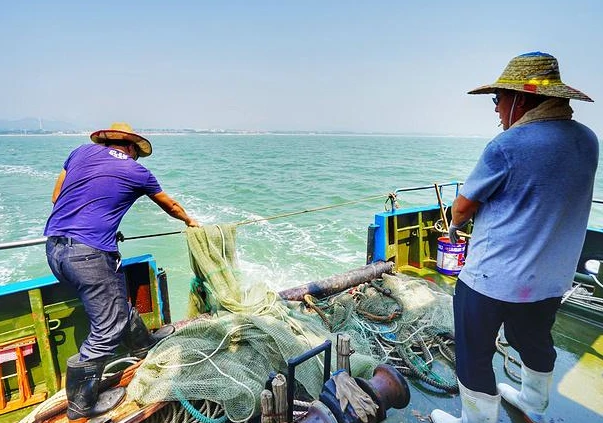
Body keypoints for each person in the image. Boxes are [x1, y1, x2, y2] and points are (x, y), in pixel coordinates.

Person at [431, 52, 598, 423]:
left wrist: (456, 228)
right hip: (551, 280)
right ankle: (533, 404)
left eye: (498, 100)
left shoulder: (508, 144)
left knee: (473, 354)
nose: (495, 110)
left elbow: (461, 208)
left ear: (520, 99)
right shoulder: (588, 140)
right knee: (533, 341)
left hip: (492, 281)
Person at [44, 122, 200, 421]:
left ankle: (143, 344)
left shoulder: (79, 153)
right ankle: (81, 404)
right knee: (107, 330)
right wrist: (191, 222)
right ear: (130, 147)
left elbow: (56, 197)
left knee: (114, 302)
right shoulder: (136, 171)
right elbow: (170, 205)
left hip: (56, 251)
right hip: (90, 256)